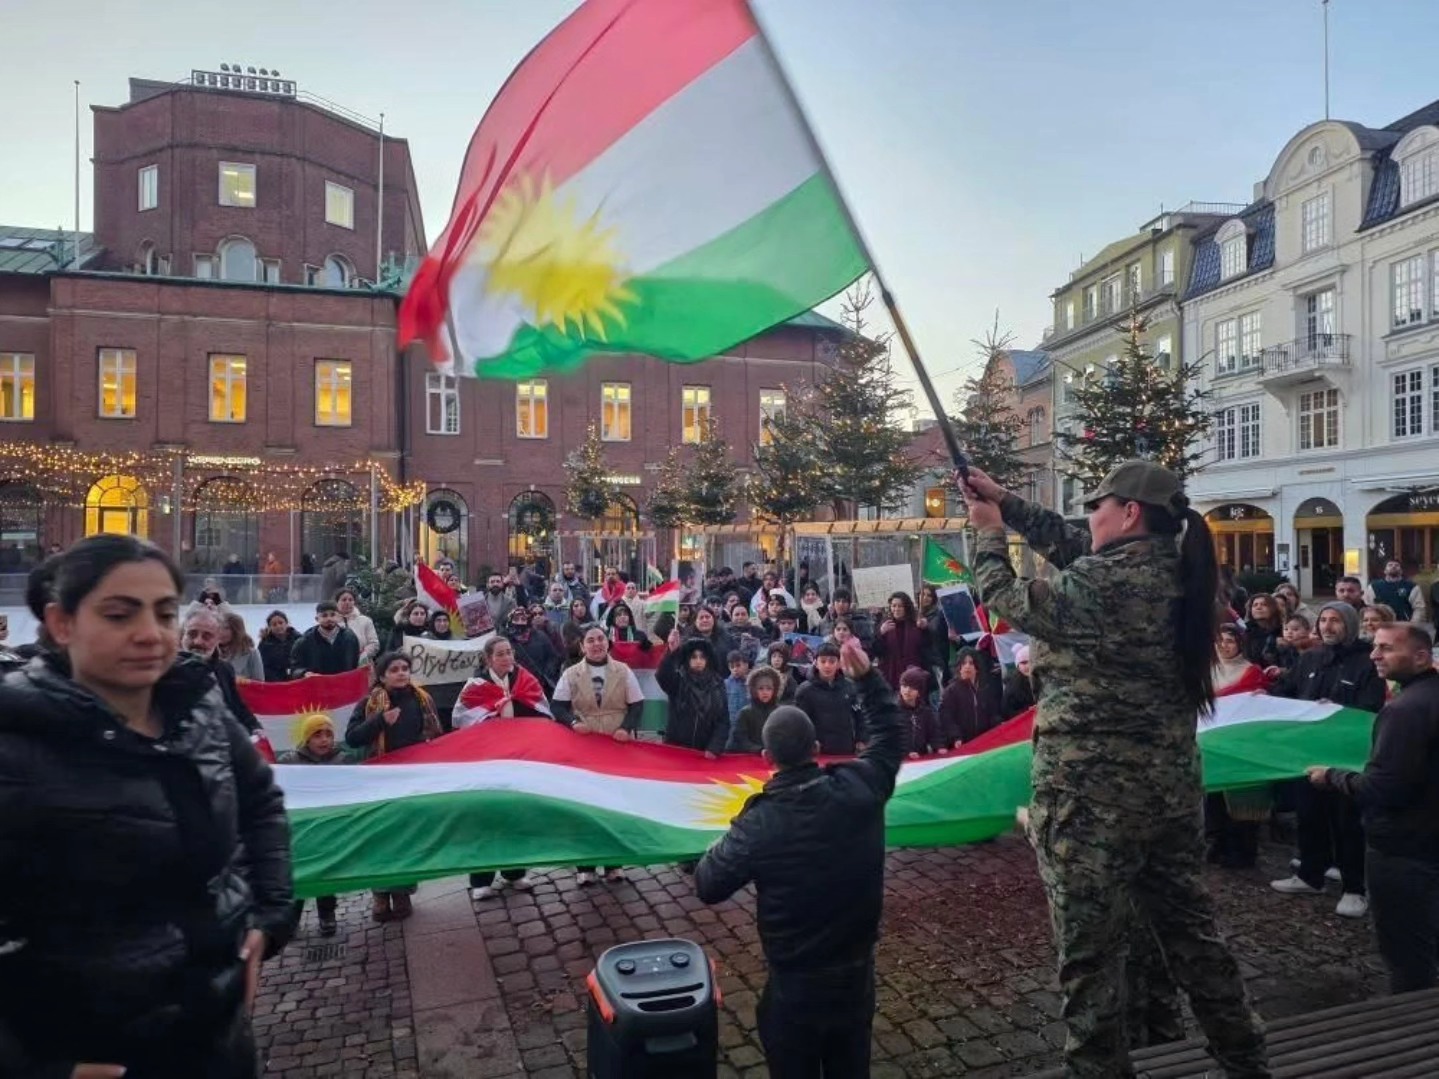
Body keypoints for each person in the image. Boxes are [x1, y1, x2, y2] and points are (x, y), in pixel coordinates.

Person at [961, 460, 1268, 1078]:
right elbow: (1075, 544)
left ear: (1129, 513)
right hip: (1168, 792)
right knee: (1193, 937)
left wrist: (989, 530)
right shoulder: (1178, 574)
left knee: (1090, 957)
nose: (1087, 518)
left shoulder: (1102, 583)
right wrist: (1007, 500)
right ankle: (1244, 1059)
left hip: (1092, 801)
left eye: (1096, 505)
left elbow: (1005, 596)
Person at [0, 535, 292, 1076]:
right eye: (119, 614)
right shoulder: (15, 744)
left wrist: (269, 913)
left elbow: (261, 803)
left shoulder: (197, 706)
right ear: (62, 623)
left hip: (217, 1031)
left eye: (164, 613)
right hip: (87, 1043)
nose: (150, 634)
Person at [695, 637, 902, 1078]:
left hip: (796, 983)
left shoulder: (759, 823)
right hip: (854, 973)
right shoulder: (860, 787)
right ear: (816, 749)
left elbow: (708, 882)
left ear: (767, 758)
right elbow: (889, 736)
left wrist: (740, 824)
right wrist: (867, 678)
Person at [1308, 624, 1439, 992]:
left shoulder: (1405, 711)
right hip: (1428, 837)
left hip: (1404, 848)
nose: (1374, 655)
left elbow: (1384, 787)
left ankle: (1412, 1020)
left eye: (1386, 648)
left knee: (1408, 952)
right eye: (1375, 646)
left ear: (1420, 657)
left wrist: (1332, 776)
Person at [1267, 601, 1387, 916]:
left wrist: (1337, 710)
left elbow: (1370, 707)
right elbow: (1286, 690)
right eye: (1323, 620)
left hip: (1345, 758)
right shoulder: (1310, 658)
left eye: (1335, 620)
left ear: (1349, 624)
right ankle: (1310, 875)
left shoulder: (1366, 662)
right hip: (1307, 753)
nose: (1327, 626)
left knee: (1347, 823)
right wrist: (1262, 698)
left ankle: (1354, 888)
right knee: (1309, 816)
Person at [346, 652, 442, 920]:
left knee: (406, 836)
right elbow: (352, 738)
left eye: (405, 668)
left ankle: (402, 892)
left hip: (410, 779)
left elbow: (436, 735)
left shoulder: (422, 700)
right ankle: (380, 893)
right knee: (380, 837)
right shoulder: (369, 703)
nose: (401, 673)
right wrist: (380, 721)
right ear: (382, 676)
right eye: (394, 669)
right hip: (378, 781)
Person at [454, 637, 553, 898]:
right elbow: (461, 719)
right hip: (486, 760)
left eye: (509, 652)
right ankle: (481, 879)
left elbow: (542, 712)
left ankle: (515, 872)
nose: (507, 658)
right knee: (485, 816)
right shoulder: (476, 686)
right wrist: (492, 712)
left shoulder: (525, 680)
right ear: (488, 659)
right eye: (500, 654)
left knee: (516, 814)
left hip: (518, 758)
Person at [552, 626, 645, 886]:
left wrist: (626, 727)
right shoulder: (570, 673)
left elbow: (637, 704)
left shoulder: (623, 671)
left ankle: (614, 864)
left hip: (617, 744)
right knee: (586, 806)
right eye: (590, 640)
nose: (596, 644)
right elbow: (557, 706)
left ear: (608, 642)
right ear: (582, 646)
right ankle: (586, 865)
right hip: (584, 744)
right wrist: (573, 723)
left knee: (615, 804)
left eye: (600, 639)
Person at [277, 714, 350, 937]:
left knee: (324, 872)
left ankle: (327, 914)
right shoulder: (290, 762)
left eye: (328, 734)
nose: (324, 740)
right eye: (317, 735)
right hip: (300, 829)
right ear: (307, 738)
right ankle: (292, 919)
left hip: (328, 827)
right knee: (299, 872)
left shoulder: (342, 760)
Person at [182, 609, 263, 736]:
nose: (198, 641)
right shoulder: (163, 671)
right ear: (183, 636)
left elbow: (237, 706)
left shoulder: (224, 669)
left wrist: (254, 727)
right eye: (192, 634)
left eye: (207, 636)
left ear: (217, 640)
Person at [657, 634, 730, 758]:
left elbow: (723, 720)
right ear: (687, 660)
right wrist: (671, 652)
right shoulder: (678, 681)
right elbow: (663, 676)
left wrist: (714, 747)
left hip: (705, 752)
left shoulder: (718, 684)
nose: (698, 661)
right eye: (694, 657)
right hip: (677, 749)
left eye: (702, 657)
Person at [795, 642, 863, 755]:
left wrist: (861, 739)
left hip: (846, 749)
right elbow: (799, 722)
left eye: (832, 661)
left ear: (839, 664)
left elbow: (860, 716)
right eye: (823, 661)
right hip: (817, 751)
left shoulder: (850, 687)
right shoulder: (805, 690)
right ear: (816, 663)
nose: (827, 665)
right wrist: (808, 743)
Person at [938, 647, 1000, 748]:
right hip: (962, 744)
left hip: (985, 742)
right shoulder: (951, 691)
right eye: (963, 663)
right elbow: (946, 719)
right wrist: (956, 737)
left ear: (977, 667)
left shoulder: (986, 688)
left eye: (971, 663)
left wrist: (998, 726)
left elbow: (993, 714)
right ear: (959, 667)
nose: (967, 666)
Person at [873, 592, 935, 691]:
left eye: (900, 606)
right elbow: (877, 651)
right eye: (894, 606)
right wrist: (881, 634)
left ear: (906, 607)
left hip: (914, 674)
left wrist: (925, 629)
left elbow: (927, 646)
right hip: (891, 675)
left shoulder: (916, 623)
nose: (896, 609)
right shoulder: (885, 624)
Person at [290, 600, 361, 677]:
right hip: (317, 683)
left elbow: (355, 664)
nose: (329, 619)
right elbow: (294, 669)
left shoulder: (349, 638)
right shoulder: (305, 641)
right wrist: (304, 673)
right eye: (324, 615)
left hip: (344, 682)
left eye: (332, 615)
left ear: (338, 617)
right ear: (317, 619)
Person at [728, 665, 782, 754]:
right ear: (754, 690)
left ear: (774, 690)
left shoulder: (780, 713)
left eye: (769, 689)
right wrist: (759, 750)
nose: (765, 692)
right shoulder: (745, 713)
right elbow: (740, 739)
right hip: (752, 757)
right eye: (761, 688)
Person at [505, 607, 560, 689]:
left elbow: (552, 657)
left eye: (523, 619)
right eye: (516, 619)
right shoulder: (506, 642)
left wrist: (547, 672)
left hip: (542, 683)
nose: (520, 622)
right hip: (520, 686)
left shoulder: (540, 636)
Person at [898, 666, 942, 757]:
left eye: (912, 687)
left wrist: (939, 747)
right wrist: (906, 753)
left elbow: (934, 734)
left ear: (919, 692)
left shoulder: (926, 712)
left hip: (921, 758)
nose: (907, 690)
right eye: (904, 686)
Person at [335, 588, 380, 665]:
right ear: (337, 602)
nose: (347, 602)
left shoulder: (365, 621)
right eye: (344, 600)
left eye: (350, 600)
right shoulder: (331, 622)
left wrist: (362, 656)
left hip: (363, 664)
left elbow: (374, 644)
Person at [220, 610, 265, 682]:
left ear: (236, 630)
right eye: (219, 627)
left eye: (226, 628)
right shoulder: (212, 653)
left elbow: (259, 683)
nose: (221, 632)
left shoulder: (251, 653)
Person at [258, 609, 301, 682]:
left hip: (297, 679)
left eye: (281, 623)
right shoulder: (264, 644)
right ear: (269, 627)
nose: (278, 626)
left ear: (286, 623)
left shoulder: (299, 639)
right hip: (274, 682)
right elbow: (263, 666)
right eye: (274, 624)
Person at [1242, 594, 1284, 668]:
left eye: (1264, 605)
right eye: (1255, 605)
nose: (1258, 607)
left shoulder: (1283, 630)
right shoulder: (1245, 630)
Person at [1002, 644, 1037, 718]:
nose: (1028, 666)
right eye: (1024, 663)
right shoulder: (1012, 687)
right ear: (1018, 666)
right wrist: (1027, 710)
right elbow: (1007, 712)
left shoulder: (1046, 678)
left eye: (1031, 661)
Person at [724, 649, 752, 725]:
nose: (735, 669)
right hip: (731, 723)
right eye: (732, 667)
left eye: (738, 665)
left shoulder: (752, 682)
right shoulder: (726, 684)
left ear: (746, 665)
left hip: (749, 723)